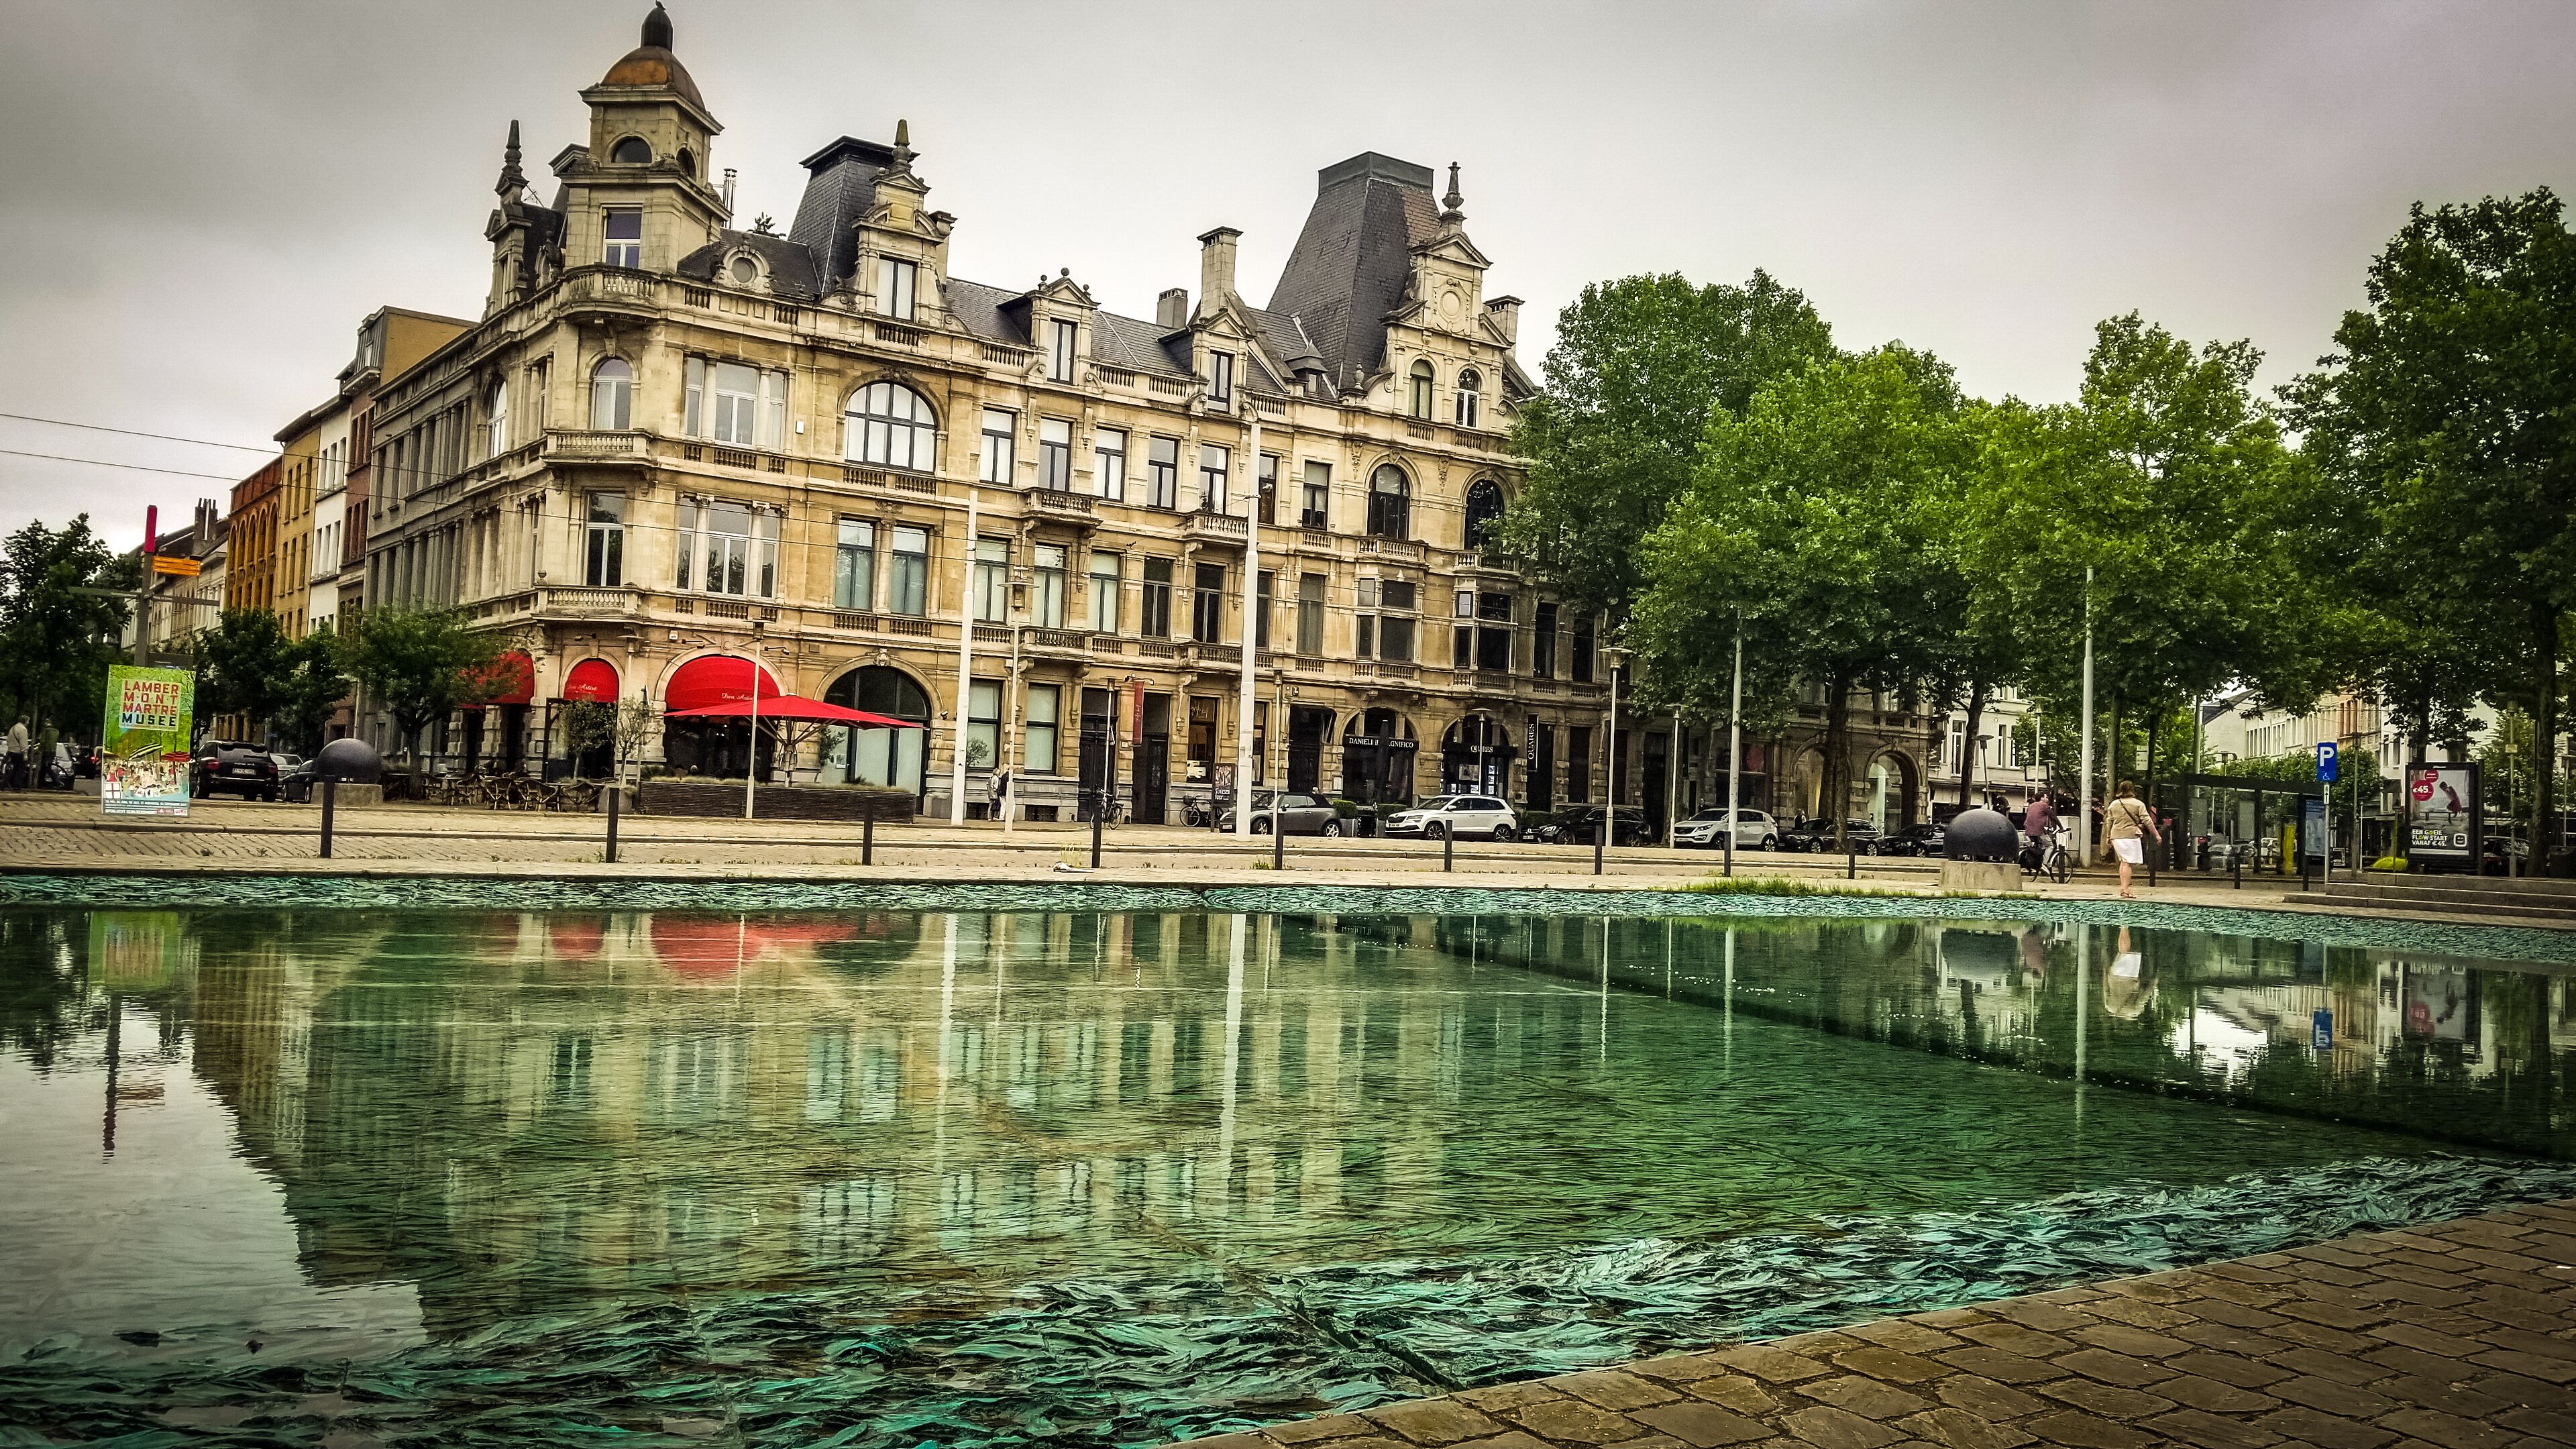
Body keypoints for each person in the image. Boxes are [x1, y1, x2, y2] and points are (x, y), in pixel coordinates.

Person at [2103, 779, 2161, 899]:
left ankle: (2124, 888)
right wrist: (2156, 835)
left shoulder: (2114, 804)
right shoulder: (2138, 804)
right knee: (2128, 863)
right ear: (2132, 790)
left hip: (2116, 836)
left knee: (2124, 862)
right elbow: (2147, 821)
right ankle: (2126, 890)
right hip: (2131, 836)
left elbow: (2109, 821)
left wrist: (2108, 836)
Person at [3, 715, 27, 790]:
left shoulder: (13, 728)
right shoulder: (23, 729)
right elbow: (23, 742)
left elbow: (8, 740)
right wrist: (25, 753)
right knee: (20, 769)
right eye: (28, 721)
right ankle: (16, 785)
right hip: (18, 752)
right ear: (25, 721)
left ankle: (3, 783)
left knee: (14, 769)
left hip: (11, 751)